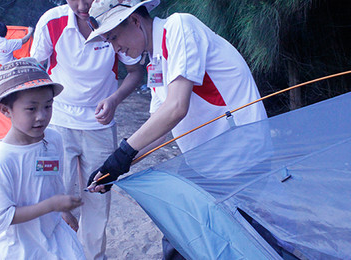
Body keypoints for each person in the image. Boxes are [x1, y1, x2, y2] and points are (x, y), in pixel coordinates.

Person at [85, 0, 268, 259]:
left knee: (246, 243)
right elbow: (157, 128)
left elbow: (176, 107)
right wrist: (112, 167)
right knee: (179, 236)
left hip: (240, 159)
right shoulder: (155, 61)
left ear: (136, 21)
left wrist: (122, 155)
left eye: (114, 37)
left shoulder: (180, 26)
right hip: (205, 161)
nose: (116, 47)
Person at [30, 0, 144, 259]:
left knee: (97, 198)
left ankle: (92, 256)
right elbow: (35, 69)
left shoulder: (113, 22)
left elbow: (135, 72)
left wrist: (114, 100)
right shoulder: (52, 22)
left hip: (100, 127)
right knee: (54, 193)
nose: (82, 5)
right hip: (58, 124)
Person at [0, 57, 85, 259]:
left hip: (55, 234)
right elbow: (1, 216)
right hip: (22, 246)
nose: (41, 116)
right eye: (31, 109)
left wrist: (63, 211)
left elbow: (53, 183)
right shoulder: (4, 158)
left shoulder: (54, 139)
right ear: (6, 110)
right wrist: (51, 206)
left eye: (48, 106)